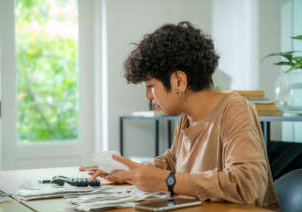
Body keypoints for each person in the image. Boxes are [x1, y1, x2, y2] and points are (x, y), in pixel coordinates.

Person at [80, 21, 279, 210]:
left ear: (178, 81)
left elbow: (247, 185)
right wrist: (130, 172)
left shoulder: (235, 109)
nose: (148, 96)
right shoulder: (187, 117)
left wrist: (167, 181)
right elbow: (173, 160)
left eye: (151, 86)